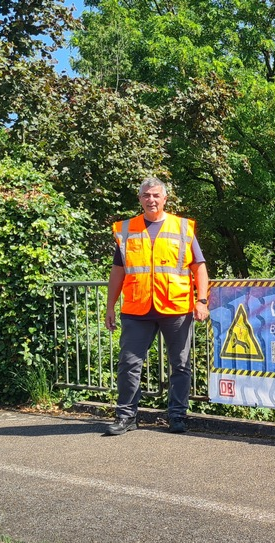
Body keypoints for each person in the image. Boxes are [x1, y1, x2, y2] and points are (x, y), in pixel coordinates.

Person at [104, 178, 210, 435]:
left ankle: (177, 415)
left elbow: (200, 268)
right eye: (146, 195)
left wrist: (202, 300)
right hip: (137, 308)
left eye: (156, 195)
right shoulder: (126, 229)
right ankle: (126, 416)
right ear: (139, 199)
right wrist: (110, 306)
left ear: (165, 199)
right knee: (129, 364)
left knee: (181, 364)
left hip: (175, 307)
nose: (151, 200)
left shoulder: (182, 227)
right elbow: (118, 272)